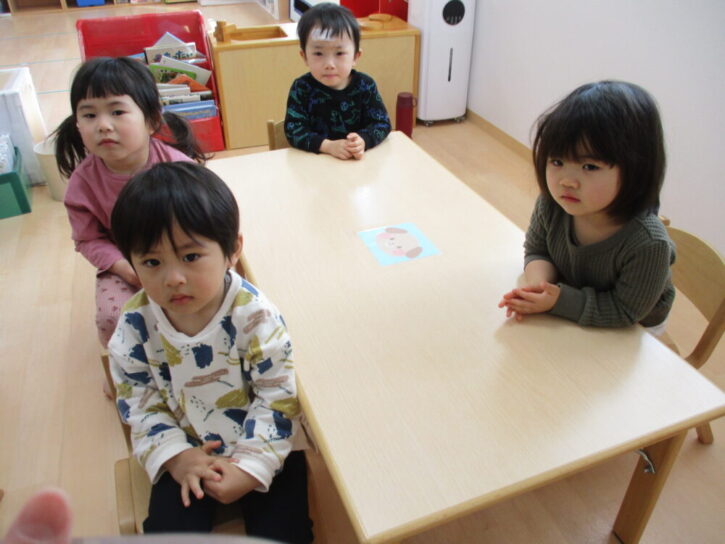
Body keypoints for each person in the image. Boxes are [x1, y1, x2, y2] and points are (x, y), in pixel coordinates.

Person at [108, 162, 312, 542]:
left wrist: (251, 467)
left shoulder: (256, 316)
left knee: (286, 531)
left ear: (232, 250)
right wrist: (177, 457)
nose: (173, 278)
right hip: (185, 447)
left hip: (262, 441)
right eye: (152, 262)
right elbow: (139, 401)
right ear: (131, 262)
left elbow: (278, 396)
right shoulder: (134, 325)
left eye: (190, 257)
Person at [55, 56, 206, 355]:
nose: (103, 125)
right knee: (113, 317)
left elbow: (208, 223)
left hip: (181, 256)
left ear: (151, 120)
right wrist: (122, 266)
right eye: (89, 115)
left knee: (210, 299)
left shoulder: (180, 168)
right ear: (78, 124)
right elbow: (87, 239)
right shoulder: (82, 184)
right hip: (125, 262)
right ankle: (129, 366)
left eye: (117, 111)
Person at [498, 80, 675, 331]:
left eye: (589, 166)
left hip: (634, 327)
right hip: (573, 296)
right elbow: (538, 251)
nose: (566, 181)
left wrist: (559, 300)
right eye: (557, 162)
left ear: (636, 171)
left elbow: (625, 310)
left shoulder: (649, 243)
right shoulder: (552, 204)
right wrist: (538, 287)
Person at [284, 2, 391, 160]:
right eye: (318, 53)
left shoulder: (365, 85)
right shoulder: (301, 88)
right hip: (315, 164)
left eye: (339, 53)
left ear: (355, 56)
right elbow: (293, 131)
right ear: (304, 56)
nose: (329, 64)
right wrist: (328, 146)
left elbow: (381, 123)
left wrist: (363, 140)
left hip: (356, 165)